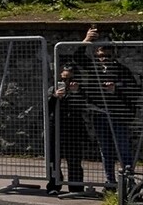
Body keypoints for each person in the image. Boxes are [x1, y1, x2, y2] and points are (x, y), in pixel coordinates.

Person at [79, 28, 142, 187]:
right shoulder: (94, 69)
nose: (104, 59)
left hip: (118, 115)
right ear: (96, 56)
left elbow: (134, 90)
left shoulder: (122, 70)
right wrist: (86, 41)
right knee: (106, 150)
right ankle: (110, 182)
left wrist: (116, 89)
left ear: (113, 56)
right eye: (101, 56)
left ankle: (128, 182)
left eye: (107, 56)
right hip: (100, 115)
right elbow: (77, 58)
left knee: (123, 149)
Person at [48, 64, 92, 193]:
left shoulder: (80, 90)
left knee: (74, 160)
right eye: (63, 79)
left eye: (69, 79)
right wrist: (55, 97)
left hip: (74, 129)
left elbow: (86, 105)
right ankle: (54, 185)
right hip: (56, 128)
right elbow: (45, 108)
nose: (66, 82)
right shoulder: (53, 89)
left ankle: (76, 187)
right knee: (53, 159)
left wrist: (76, 92)